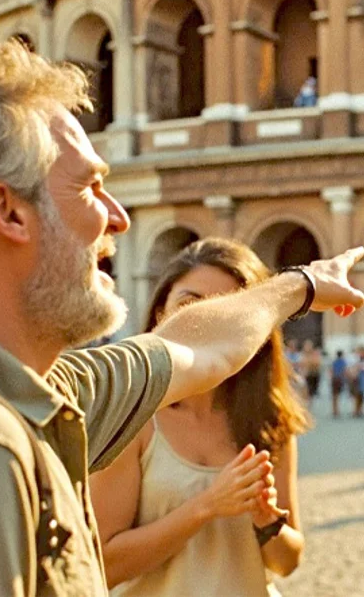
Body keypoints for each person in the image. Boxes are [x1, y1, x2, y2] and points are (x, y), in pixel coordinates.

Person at [0, 42, 364, 596]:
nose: (117, 218)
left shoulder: (48, 391)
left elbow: (199, 345)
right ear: (9, 212)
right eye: (90, 187)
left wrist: (299, 285)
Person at [92, 238, 311, 596]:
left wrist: (267, 520)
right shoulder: (134, 418)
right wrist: (206, 507)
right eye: (190, 304)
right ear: (161, 311)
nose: (209, 323)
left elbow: (287, 562)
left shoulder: (269, 419)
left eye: (228, 311)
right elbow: (104, 565)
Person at [301, 340, 323, 405]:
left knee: (311, 392)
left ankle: (309, 402)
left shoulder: (315, 354)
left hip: (313, 375)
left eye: (309, 346)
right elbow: (302, 364)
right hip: (306, 376)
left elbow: (317, 363)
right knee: (306, 391)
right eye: (306, 346)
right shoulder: (303, 355)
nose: (307, 348)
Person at [330, 349, 348, 418]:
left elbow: (331, 370)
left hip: (335, 379)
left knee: (334, 396)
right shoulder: (343, 362)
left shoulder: (334, 361)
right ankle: (337, 410)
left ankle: (335, 410)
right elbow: (344, 371)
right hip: (340, 379)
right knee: (337, 395)